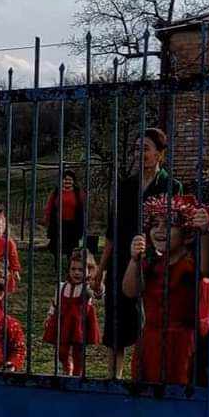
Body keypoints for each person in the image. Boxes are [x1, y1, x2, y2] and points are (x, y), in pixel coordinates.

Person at [95, 128, 182, 380]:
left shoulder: (171, 186)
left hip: (156, 262)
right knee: (116, 323)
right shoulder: (126, 185)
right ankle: (114, 378)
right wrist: (101, 269)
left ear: (159, 154)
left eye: (145, 148)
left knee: (150, 320)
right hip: (123, 260)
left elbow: (175, 230)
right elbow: (113, 230)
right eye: (137, 148)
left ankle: (148, 375)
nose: (140, 153)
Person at [122, 194, 209, 385]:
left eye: (169, 225)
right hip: (152, 341)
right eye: (155, 224)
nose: (160, 230)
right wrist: (134, 260)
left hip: (184, 344)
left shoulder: (190, 264)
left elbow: (206, 269)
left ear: (187, 234)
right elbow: (130, 291)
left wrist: (204, 233)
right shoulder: (151, 264)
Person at [43, 248, 100, 377]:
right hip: (63, 322)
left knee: (79, 351)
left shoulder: (87, 288)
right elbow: (55, 303)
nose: (76, 273)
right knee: (61, 350)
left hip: (79, 324)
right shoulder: (62, 286)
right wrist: (50, 316)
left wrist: (96, 285)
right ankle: (66, 365)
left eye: (81, 270)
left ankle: (77, 373)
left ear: (88, 271)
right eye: (73, 269)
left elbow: (98, 293)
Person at [44, 169, 86, 257]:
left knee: (71, 247)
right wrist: (47, 219)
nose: (67, 181)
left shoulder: (78, 193)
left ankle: (70, 263)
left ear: (73, 181)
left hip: (73, 225)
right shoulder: (56, 192)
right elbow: (49, 206)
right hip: (58, 224)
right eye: (65, 179)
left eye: (70, 180)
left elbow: (82, 208)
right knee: (57, 246)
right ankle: (57, 263)